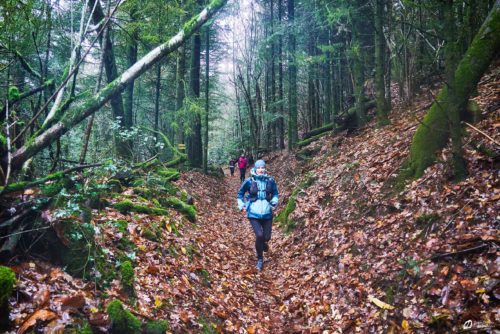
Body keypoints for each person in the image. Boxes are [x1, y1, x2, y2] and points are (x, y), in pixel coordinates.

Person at [237, 160, 279, 271]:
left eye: (263, 167)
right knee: (259, 236)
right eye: (259, 168)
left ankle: (263, 244)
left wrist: (274, 201)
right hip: (253, 214)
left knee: (266, 237)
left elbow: (275, 193)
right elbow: (240, 194)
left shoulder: (270, 181)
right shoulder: (249, 181)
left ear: (265, 169)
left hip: (267, 213)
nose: (261, 169)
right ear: (255, 169)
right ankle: (260, 259)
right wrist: (241, 205)